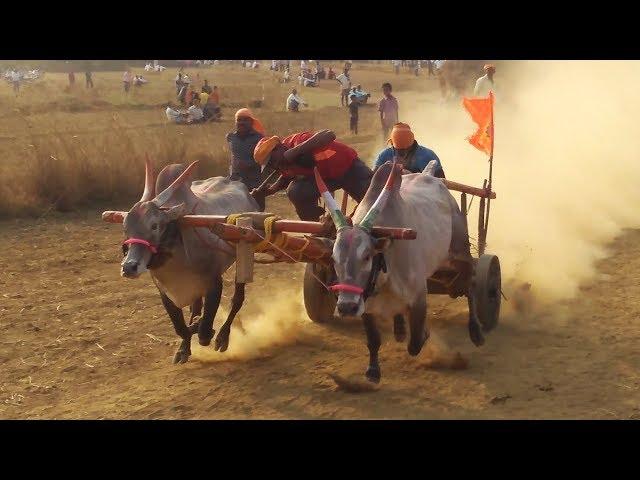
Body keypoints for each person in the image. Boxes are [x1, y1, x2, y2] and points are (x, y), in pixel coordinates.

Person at [251, 130, 373, 221]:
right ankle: (318, 227)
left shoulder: (297, 140)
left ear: (277, 148)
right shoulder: (283, 164)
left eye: (272, 160)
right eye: (270, 164)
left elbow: (329, 135)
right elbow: (287, 176)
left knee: (372, 204)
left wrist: (294, 152)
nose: (274, 165)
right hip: (326, 179)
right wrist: (270, 190)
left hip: (349, 168)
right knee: (296, 191)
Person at [226, 108, 266, 210]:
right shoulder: (231, 137)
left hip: (255, 182)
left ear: (251, 121)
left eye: (245, 120)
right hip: (235, 182)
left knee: (258, 212)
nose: (241, 122)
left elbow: (264, 160)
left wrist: (248, 164)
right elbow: (232, 157)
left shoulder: (259, 138)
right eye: (239, 120)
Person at [374, 123, 444, 178]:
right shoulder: (384, 155)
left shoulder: (427, 156)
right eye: (399, 150)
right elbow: (373, 179)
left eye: (406, 149)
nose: (403, 153)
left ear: (413, 143)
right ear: (391, 143)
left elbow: (440, 184)